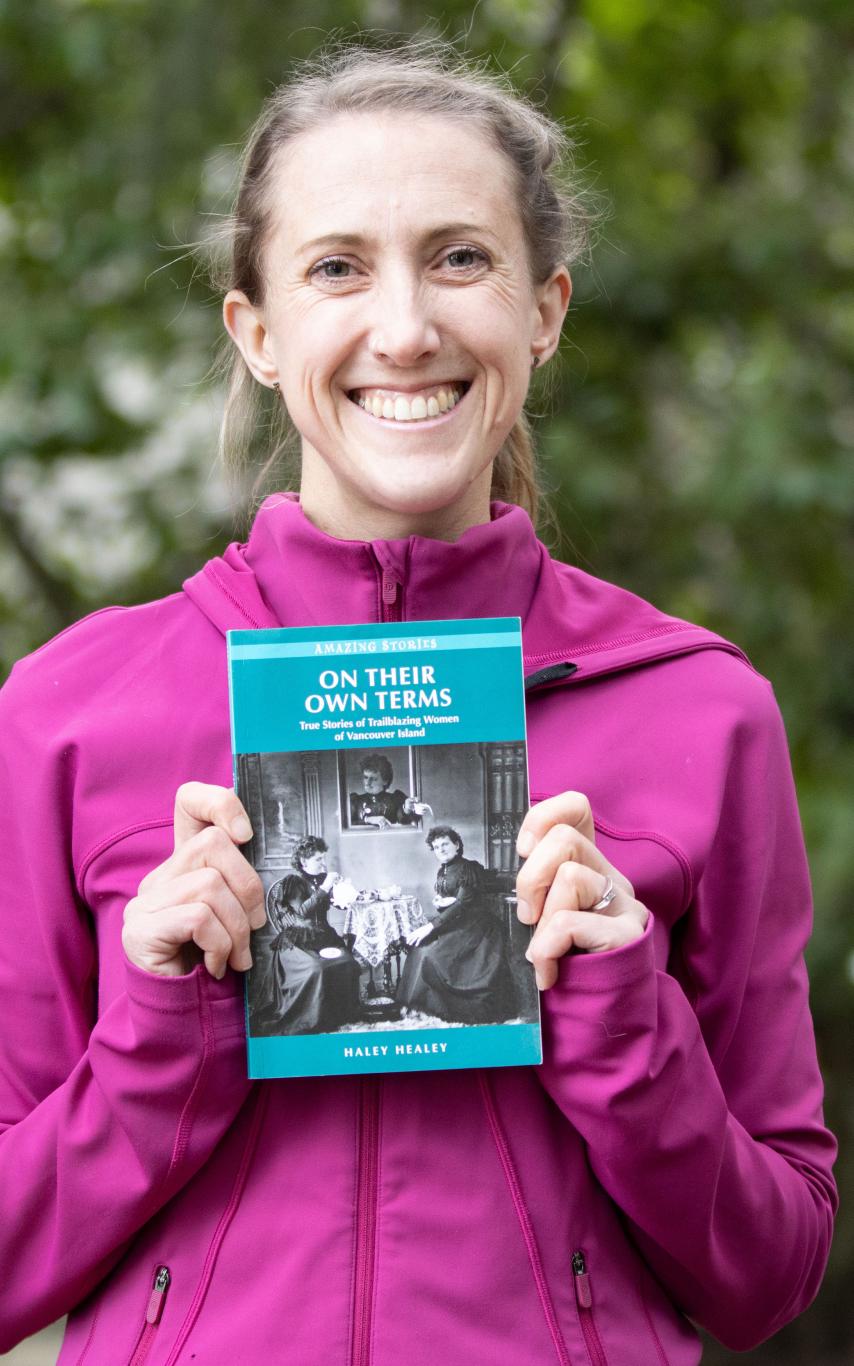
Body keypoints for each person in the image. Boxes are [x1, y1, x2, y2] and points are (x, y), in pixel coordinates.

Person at [0, 40, 836, 1366]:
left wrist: (622, 1021)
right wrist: (161, 1039)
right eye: (337, 268)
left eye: (460, 259)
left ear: (544, 309)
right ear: (258, 333)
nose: (404, 328)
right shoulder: (68, 713)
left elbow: (770, 1270)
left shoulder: (697, 708)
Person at [397, 826, 516, 1023]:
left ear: (457, 845)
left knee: (432, 955)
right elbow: (456, 900)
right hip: (457, 922)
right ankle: (418, 1008)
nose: (441, 850)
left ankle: (443, 1009)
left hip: (477, 928)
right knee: (419, 949)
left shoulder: (468, 867)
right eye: (436, 847)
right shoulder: (442, 870)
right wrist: (442, 902)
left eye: (445, 844)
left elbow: (462, 904)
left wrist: (430, 926)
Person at [248, 838, 361, 1035]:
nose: (323, 863)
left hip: (325, 936)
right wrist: (324, 888)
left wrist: (345, 897)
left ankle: (338, 1015)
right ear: (304, 860)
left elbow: (335, 903)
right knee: (316, 969)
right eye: (318, 859)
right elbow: (300, 913)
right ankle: (314, 1019)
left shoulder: (323, 878)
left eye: (323, 858)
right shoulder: (293, 882)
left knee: (348, 963)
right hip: (298, 939)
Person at [348, 751, 425, 827]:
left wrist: (406, 809)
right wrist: (367, 820)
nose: (367, 782)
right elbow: (346, 825)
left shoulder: (395, 799)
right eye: (365, 777)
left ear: (385, 781)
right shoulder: (355, 801)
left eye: (373, 779)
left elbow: (405, 821)